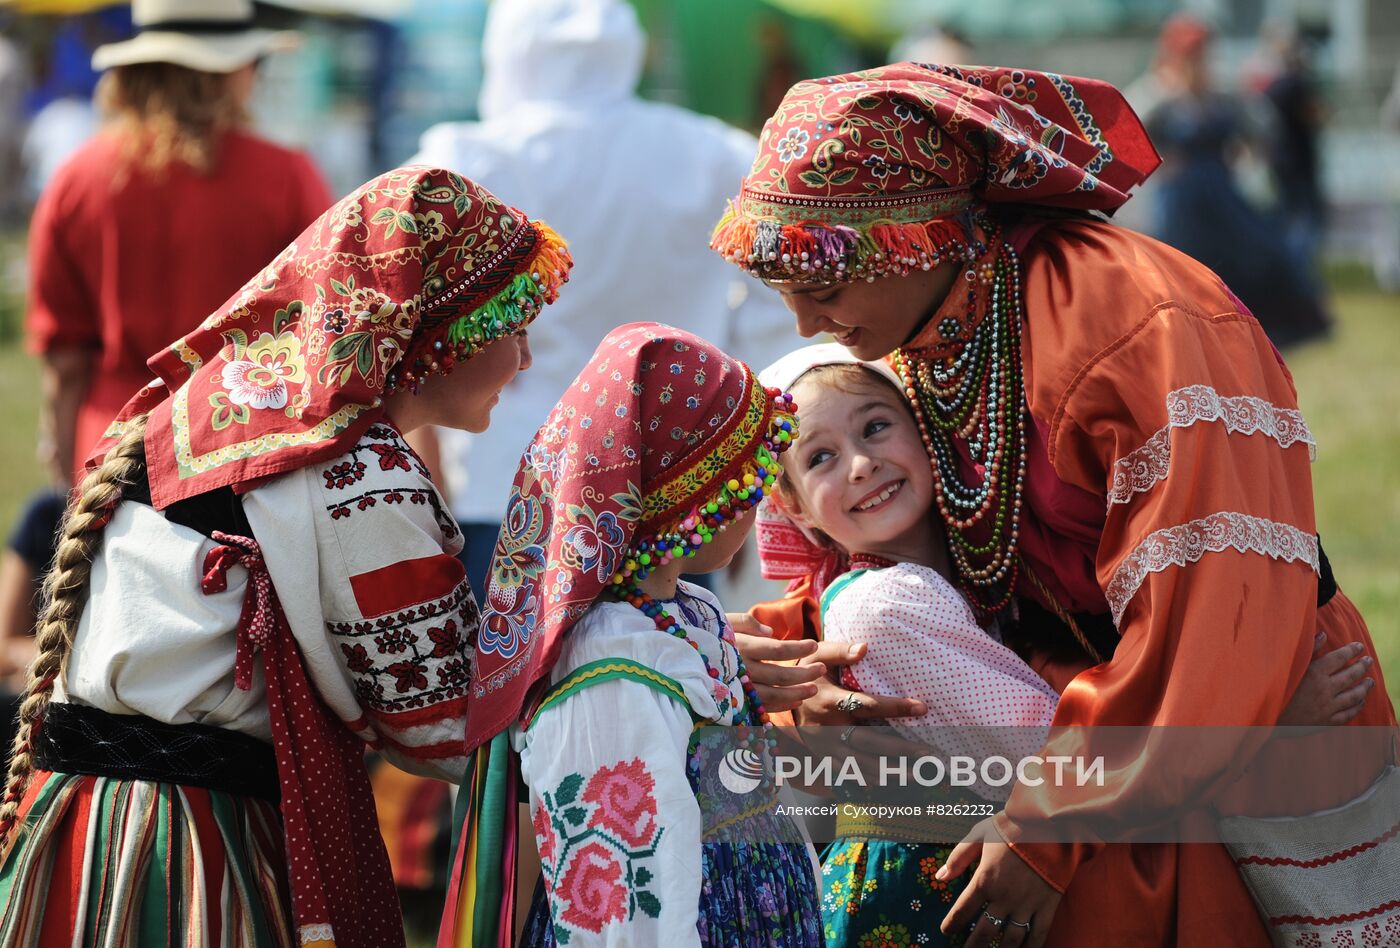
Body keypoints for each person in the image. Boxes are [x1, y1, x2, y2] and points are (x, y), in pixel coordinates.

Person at [711, 62, 1397, 947]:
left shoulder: (1133, 324)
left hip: (1234, 701)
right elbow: (919, 557)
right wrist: (812, 675)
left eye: (825, 285)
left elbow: (1211, 615)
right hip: (1086, 738)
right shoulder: (939, 323)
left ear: (911, 236)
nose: (806, 325)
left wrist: (1052, 822)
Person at [0, 166, 573, 947]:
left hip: (75, 822)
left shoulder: (203, 409)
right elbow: (442, 726)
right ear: (441, 335)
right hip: (191, 850)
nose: (526, 357)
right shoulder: (355, 472)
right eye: (511, 324)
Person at [757, 344, 1378, 947]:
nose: (860, 464)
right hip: (935, 901)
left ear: (924, 433)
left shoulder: (963, 573)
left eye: (875, 426)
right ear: (796, 510)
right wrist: (1256, 735)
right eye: (820, 459)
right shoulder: (885, 610)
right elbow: (1053, 762)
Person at [443, 323, 820, 946]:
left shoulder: (683, 614)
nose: (760, 497)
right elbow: (622, 912)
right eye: (749, 477)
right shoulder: (609, 673)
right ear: (694, 492)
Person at [408, 0, 794, 594]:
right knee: (669, 672)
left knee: (517, 679)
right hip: (669, 486)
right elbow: (776, 317)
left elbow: (397, 315)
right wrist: (736, 475)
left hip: (507, 479)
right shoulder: (713, 152)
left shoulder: (466, 160)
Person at [25, 0, 332, 491]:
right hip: (244, 444)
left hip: (111, 448)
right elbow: (323, 326)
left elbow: (65, 363)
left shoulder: (77, 179)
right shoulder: (287, 177)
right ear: (232, 70)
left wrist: (67, 474)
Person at [1132, 14, 1330, 348]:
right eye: (1194, 53)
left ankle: (1248, 335)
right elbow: (1125, 134)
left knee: (1258, 255)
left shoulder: (1222, 93)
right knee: (1183, 269)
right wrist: (1159, 163)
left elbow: (1264, 125)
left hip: (1223, 194)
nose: (1201, 60)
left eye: (1204, 52)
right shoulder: (1158, 94)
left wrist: (1250, 158)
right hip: (1182, 202)